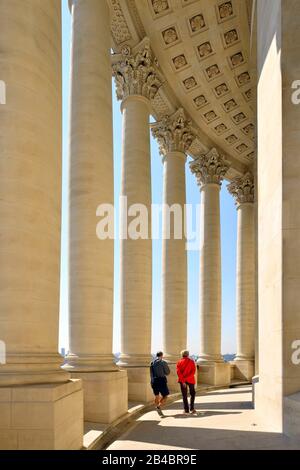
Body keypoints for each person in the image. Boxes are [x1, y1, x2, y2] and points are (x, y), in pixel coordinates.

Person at [150, 351, 170, 417]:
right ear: (162, 355)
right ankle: (158, 407)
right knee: (165, 395)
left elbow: (151, 373)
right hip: (161, 380)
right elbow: (167, 372)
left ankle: (158, 409)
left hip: (154, 381)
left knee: (156, 396)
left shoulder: (152, 363)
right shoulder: (163, 362)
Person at [176, 350, 197, 415]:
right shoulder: (192, 361)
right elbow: (193, 372)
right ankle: (192, 408)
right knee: (192, 394)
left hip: (182, 381)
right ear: (188, 355)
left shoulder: (179, 362)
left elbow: (178, 373)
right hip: (190, 380)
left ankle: (186, 410)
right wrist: (186, 378)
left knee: (184, 395)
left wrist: (183, 381)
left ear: (182, 355)